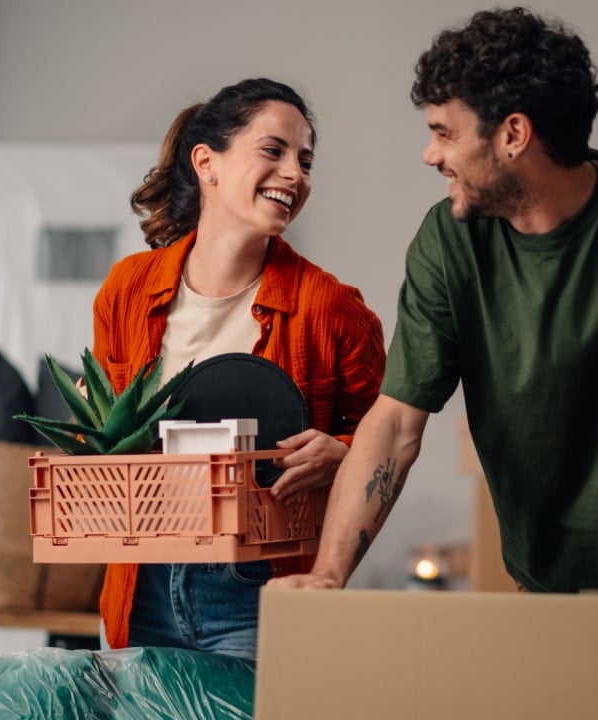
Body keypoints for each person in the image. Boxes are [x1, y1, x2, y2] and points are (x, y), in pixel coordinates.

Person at [268, 9, 598, 686]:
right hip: (544, 592)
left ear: (513, 135)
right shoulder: (449, 241)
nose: (430, 155)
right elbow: (396, 422)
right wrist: (327, 578)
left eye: (444, 132)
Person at [91, 78, 385, 659]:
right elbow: (103, 432)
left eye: (305, 160)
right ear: (207, 163)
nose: (295, 174)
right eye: (273, 150)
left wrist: (344, 452)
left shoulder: (332, 310)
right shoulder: (126, 289)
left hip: (258, 590)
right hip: (139, 584)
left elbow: (388, 438)